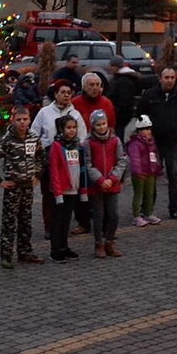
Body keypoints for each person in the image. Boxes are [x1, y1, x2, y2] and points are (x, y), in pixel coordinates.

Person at [0, 105, 47, 269]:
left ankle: (25, 251)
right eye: (18, 119)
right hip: (13, 188)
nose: (22, 122)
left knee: (26, 221)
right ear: (13, 120)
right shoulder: (7, 140)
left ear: (29, 120)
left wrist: (37, 175)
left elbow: (41, 157)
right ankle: (6, 255)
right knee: (9, 223)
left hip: (28, 187)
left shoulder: (33, 138)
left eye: (25, 119)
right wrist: (0, 180)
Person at [31, 80, 86, 239]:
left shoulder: (76, 115)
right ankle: (49, 226)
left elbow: (82, 137)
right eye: (63, 92)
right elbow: (34, 135)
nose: (66, 95)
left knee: (69, 194)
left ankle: (64, 226)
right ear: (55, 94)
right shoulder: (44, 113)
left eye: (69, 93)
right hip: (48, 158)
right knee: (49, 194)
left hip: (70, 161)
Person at [136, 67, 177, 221]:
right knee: (151, 177)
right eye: (166, 77)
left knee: (174, 175)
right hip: (153, 143)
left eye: (172, 77)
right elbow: (140, 115)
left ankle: (176, 209)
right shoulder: (149, 95)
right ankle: (147, 208)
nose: (169, 80)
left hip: (174, 142)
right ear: (160, 78)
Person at [71, 72, 116, 230]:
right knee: (81, 187)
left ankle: (105, 223)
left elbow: (112, 126)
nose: (95, 88)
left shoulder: (106, 103)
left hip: (101, 150)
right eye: (91, 85)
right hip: (80, 150)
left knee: (101, 187)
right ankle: (83, 222)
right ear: (84, 87)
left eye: (97, 85)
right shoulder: (75, 103)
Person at [86, 109, 126, 258]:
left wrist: (112, 178)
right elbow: (88, 164)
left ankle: (109, 242)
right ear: (93, 126)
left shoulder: (115, 141)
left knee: (114, 215)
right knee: (99, 216)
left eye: (103, 124)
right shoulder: (88, 142)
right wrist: (100, 180)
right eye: (98, 125)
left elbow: (121, 161)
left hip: (112, 184)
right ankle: (99, 243)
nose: (101, 127)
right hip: (97, 185)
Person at [47, 115, 87, 263]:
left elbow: (82, 167)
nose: (72, 130)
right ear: (61, 129)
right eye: (68, 128)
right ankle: (55, 250)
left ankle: (64, 247)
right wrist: (58, 192)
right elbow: (54, 170)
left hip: (73, 188)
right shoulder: (56, 146)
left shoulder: (77, 146)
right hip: (61, 190)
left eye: (74, 127)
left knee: (67, 220)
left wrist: (83, 190)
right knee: (57, 220)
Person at [126, 115, 162, 226]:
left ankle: (149, 213)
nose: (148, 131)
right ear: (139, 131)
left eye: (149, 129)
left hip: (150, 172)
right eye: (146, 129)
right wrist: (138, 172)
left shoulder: (151, 142)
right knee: (138, 194)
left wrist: (157, 167)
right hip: (139, 174)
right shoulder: (135, 143)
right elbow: (135, 159)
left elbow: (155, 155)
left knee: (149, 194)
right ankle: (136, 216)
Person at [104, 57, 139, 138]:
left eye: (112, 66)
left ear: (116, 66)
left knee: (118, 134)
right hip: (121, 113)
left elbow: (124, 100)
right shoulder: (121, 78)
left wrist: (115, 111)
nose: (110, 68)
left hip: (119, 114)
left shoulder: (122, 81)